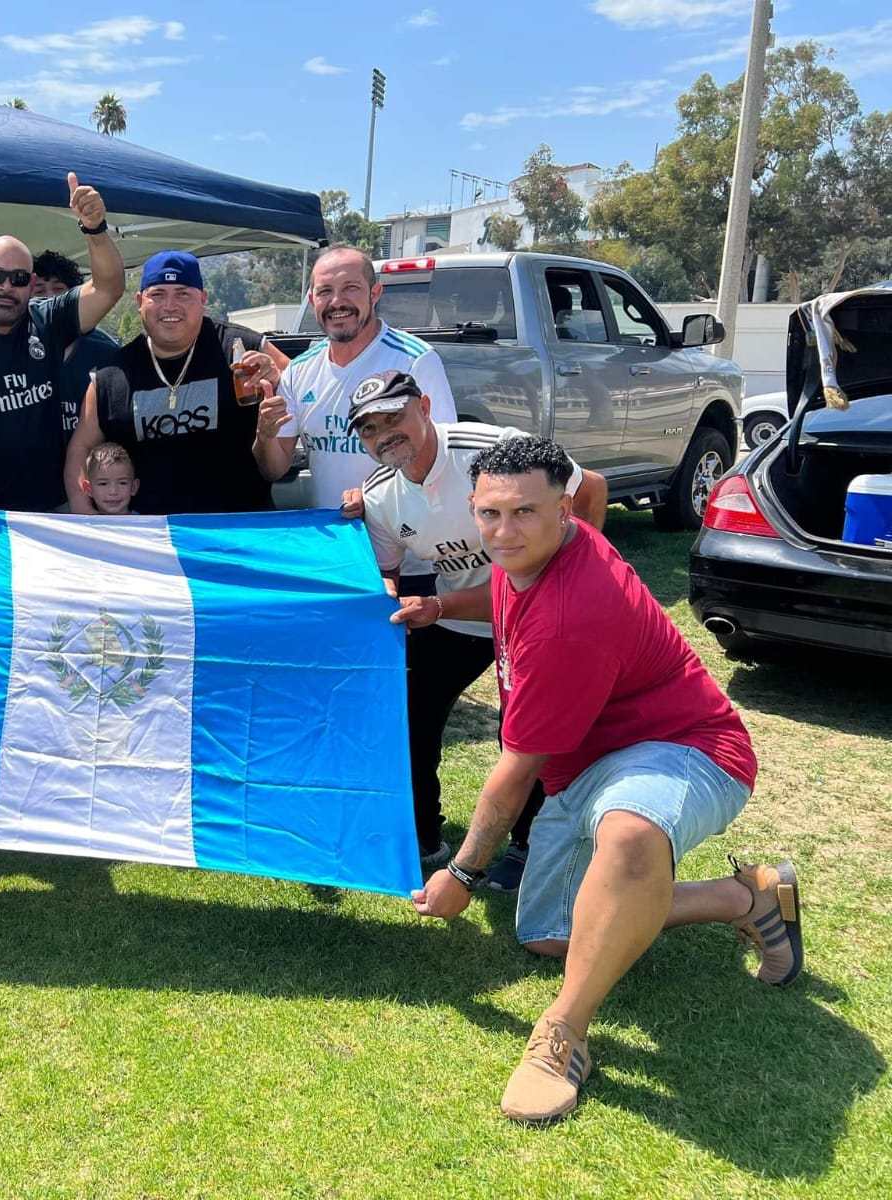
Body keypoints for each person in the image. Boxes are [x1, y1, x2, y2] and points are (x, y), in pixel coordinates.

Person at [412, 434, 800, 1124]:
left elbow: (514, 773)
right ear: (474, 506)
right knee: (549, 936)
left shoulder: (572, 618)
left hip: (684, 747)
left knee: (629, 835)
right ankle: (748, 899)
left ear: (562, 510)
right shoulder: (529, 550)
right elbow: (519, 568)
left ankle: (562, 1035)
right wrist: (441, 607)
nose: (504, 532)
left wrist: (463, 876)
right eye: (490, 514)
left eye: (524, 513)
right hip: (585, 766)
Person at [346, 370, 608, 881]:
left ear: (425, 406)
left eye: (394, 418)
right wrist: (389, 597)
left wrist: (576, 577)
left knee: (526, 732)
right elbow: (388, 574)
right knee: (406, 709)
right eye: (369, 428)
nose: (384, 435)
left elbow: (592, 488)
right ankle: (421, 836)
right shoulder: (380, 496)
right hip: (464, 613)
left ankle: (529, 846)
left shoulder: (492, 450)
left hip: (539, 613)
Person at [0, 173, 124, 511]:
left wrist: (95, 228)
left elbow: (108, 288)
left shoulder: (48, 319)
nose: (5, 287)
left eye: (17, 280)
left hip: (53, 509)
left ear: (31, 285)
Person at [64, 250, 281, 515]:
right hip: (153, 541)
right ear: (139, 301)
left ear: (203, 299)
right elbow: (81, 447)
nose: (170, 306)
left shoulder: (244, 349)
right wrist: (81, 504)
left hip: (236, 532)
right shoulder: (109, 376)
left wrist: (279, 380)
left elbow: (306, 392)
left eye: (183, 293)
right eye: (157, 294)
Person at [253, 246, 457, 514]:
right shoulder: (299, 370)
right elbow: (274, 469)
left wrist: (372, 497)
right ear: (312, 300)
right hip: (336, 542)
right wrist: (264, 435)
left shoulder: (415, 360)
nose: (337, 301)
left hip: (402, 541)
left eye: (350, 288)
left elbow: (444, 457)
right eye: (325, 291)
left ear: (375, 293)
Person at [32, 249, 120, 440]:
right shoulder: (11, 351)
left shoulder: (106, 351)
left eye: (58, 290)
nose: (49, 298)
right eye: (39, 291)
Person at [80, 441, 140, 515]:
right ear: (88, 489)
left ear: (134, 487)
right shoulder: (83, 526)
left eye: (122, 483)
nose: (113, 492)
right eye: (103, 484)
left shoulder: (146, 524)